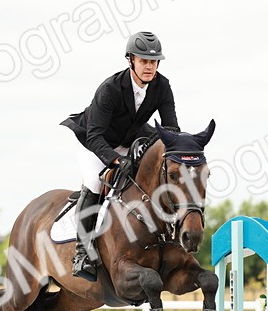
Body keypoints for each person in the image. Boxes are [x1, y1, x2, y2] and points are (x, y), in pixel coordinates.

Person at [60, 31, 179, 281]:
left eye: (154, 61)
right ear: (130, 61)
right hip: (94, 141)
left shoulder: (162, 86)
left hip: (129, 138)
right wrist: (116, 160)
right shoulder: (110, 89)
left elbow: (170, 130)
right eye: (144, 60)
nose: (149, 66)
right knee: (94, 182)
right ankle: (82, 253)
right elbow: (95, 136)